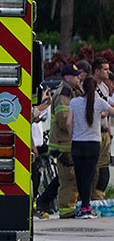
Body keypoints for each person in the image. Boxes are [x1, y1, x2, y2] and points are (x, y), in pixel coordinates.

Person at [67, 76, 114, 218]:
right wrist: (103, 114)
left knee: (80, 176)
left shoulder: (74, 102)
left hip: (77, 143)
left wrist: (71, 138)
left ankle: (83, 205)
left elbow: (69, 123)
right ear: (95, 89)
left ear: (83, 88)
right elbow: (111, 111)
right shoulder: (99, 102)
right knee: (89, 175)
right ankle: (86, 207)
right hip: (93, 144)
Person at [49, 63, 83, 218]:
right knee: (69, 179)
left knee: (73, 178)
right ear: (67, 77)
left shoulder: (71, 92)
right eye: (76, 76)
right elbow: (64, 120)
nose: (79, 78)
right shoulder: (64, 94)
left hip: (68, 143)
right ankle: (66, 212)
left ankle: (69, 209)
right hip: (64, 144)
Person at [91, 58, 112, 199]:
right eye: (105, 69)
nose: (108, 72)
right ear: (97, 71)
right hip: (94, 132)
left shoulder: (104, 87)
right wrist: (103, 113)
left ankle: (100, 198)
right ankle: (92, 198)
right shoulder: (89, 87)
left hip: (104, 132)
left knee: (104, 169)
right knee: (95, 169)